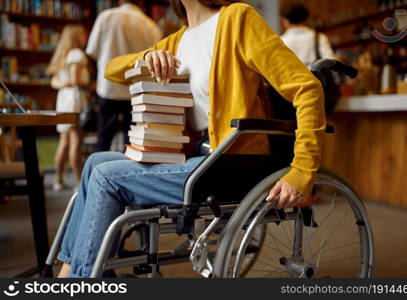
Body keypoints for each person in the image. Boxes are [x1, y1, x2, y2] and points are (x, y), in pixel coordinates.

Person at [57, 0, 326, 278]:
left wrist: (303, 170)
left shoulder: (237, 19)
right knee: (95, 162)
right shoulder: (178, 39)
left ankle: (79, 280)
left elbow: (307, 88)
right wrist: (147, 56)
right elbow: (111, 69)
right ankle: (70, 272)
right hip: (197, 157)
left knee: (106, 176)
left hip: (230, 162)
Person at [86, 0, 162, 152]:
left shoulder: (106, 17)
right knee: (133, 143)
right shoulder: (150, 25)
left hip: (109, 88)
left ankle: (99, 171)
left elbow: (91, 52)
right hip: (137, 92)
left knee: (103, 141)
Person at [46, 25, 90, 192]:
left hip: (63, 99)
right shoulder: (77, 54)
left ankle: (58, 179)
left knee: (64, 142)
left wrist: (66, 83)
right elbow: (76, 79)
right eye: (84, 34)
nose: (86, 37)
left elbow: (54, 82)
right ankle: (78, 181)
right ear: (77, 36)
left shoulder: (62, 56)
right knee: (76, 142)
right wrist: (90, 84)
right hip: (74, 100)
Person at [281, 4, 336, 68]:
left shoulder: (281, 41)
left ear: (285, 20)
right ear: (306, 18)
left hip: (291, 77)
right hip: (314, 77)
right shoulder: (319, 37)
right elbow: (331, 63)